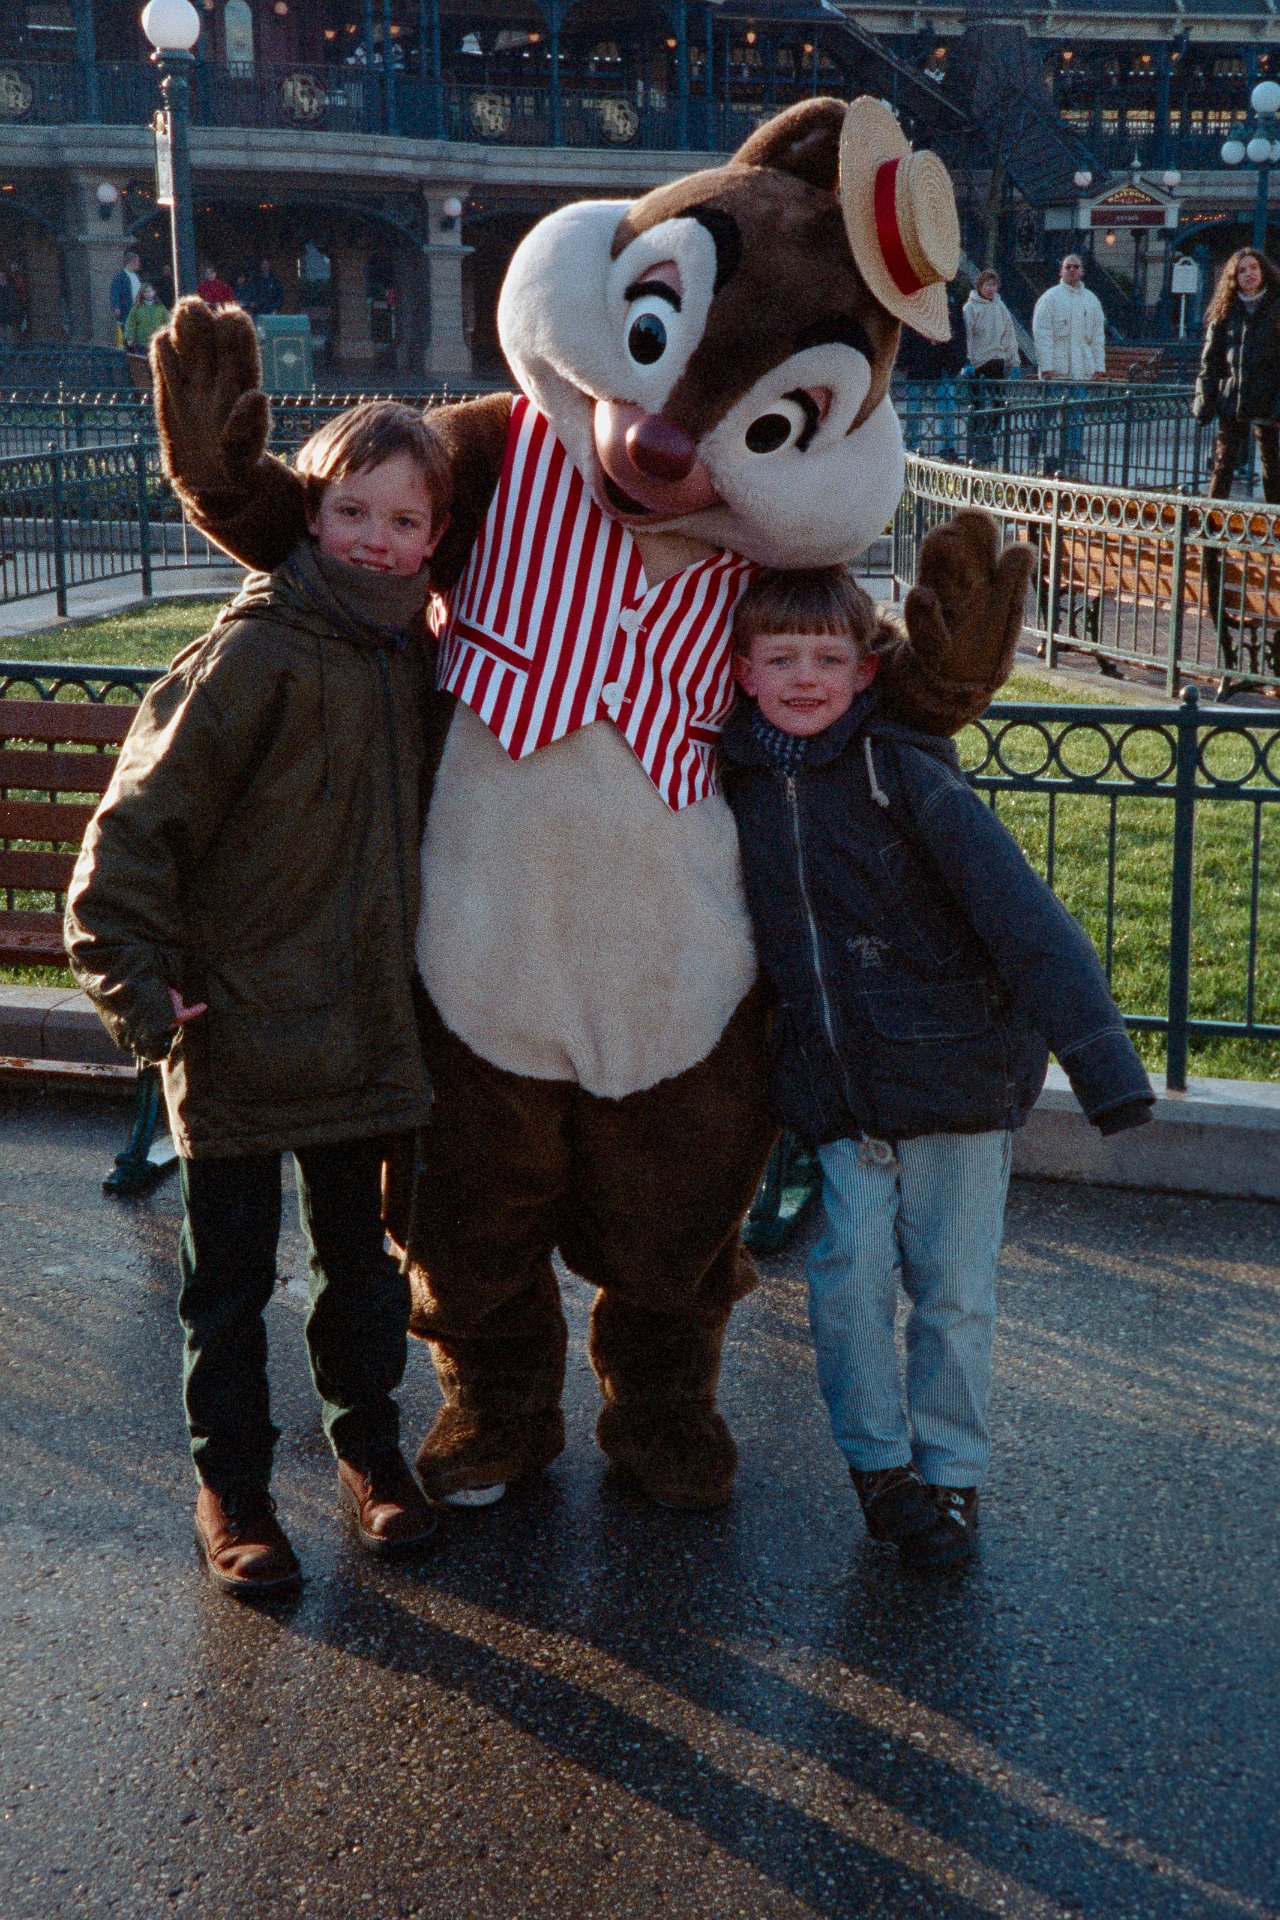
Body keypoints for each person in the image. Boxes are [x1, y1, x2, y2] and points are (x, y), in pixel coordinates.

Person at [64, 402, 454, 1598]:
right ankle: (231, 1486)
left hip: (362, 1025)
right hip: (233, 1022)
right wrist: (134, 985)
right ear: (310, 515)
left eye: (403, 521)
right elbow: (134, 831)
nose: (377, 540)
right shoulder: (251, 653)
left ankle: (370, 1449)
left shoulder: (416, 657)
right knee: (227, 1283)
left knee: (360, 1271)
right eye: (352, 512)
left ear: (435, 536)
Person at [720, 563, 1154, 1573]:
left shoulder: (901, 771)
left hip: (955, 1082)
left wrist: (1103, 1064)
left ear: (865, 670)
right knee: (845, 1285)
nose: (803, 677)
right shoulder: (737, 781)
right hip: (842, 1092)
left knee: (952, 1293)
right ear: (741, 671)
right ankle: (882, 1473)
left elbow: (1022, 915)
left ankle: (951, 1472)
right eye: (779, 658)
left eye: (826, 657)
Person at [1192, 248, 1280, 506]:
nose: (1249, 274)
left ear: (1263, 271)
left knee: (1272, 464)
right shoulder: (1225, 311)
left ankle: (1274, 524)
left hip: (1268, 395)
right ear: (1234, 277)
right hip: (1233, 396)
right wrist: (1204, 402)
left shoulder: (1276, 307)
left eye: (1254, 268)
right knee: (1222, 463)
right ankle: (1211, 527)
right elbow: (1210, 362)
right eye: (1242, 270)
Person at [962, 270, 1019, 465]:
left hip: (997, 359)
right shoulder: (970, 308)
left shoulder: (1000, 307)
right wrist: (967, 360)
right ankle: (975, 444)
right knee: (976, 406)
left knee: (998, 403)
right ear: (979, 286)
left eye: (994, 285)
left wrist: (1014, 361)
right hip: (977, 362)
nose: (990, 289)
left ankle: (988, 439)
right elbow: (967, 336)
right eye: (987, 285)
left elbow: (1009, 335)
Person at [123, 282, 170, 353]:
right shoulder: (137, 307)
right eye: (146, 292)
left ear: (154, 292)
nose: (148, 294)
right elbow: (131, 324)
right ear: (142, 294)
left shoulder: (160, 307)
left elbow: (167, 322)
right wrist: (130, 338)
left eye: (150, 291)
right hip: (141, 343)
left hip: (157, 342)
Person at [109, 247, 142, 347]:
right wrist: (116, 306)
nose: (139, 264)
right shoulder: (120, 276)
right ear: (132, 262)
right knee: (126, 332)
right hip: (126, 309)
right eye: (137, 261)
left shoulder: (135, 276)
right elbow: (115, 292)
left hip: (137, 309)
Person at [0, 266, 22, 346]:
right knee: (2, 335)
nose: (1, 278)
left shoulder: (11, 288)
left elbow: (14, 301)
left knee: (10, 333)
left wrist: (15, 312)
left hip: (9, 315)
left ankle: (10, 348)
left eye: (2, 276)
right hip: (1, 315)